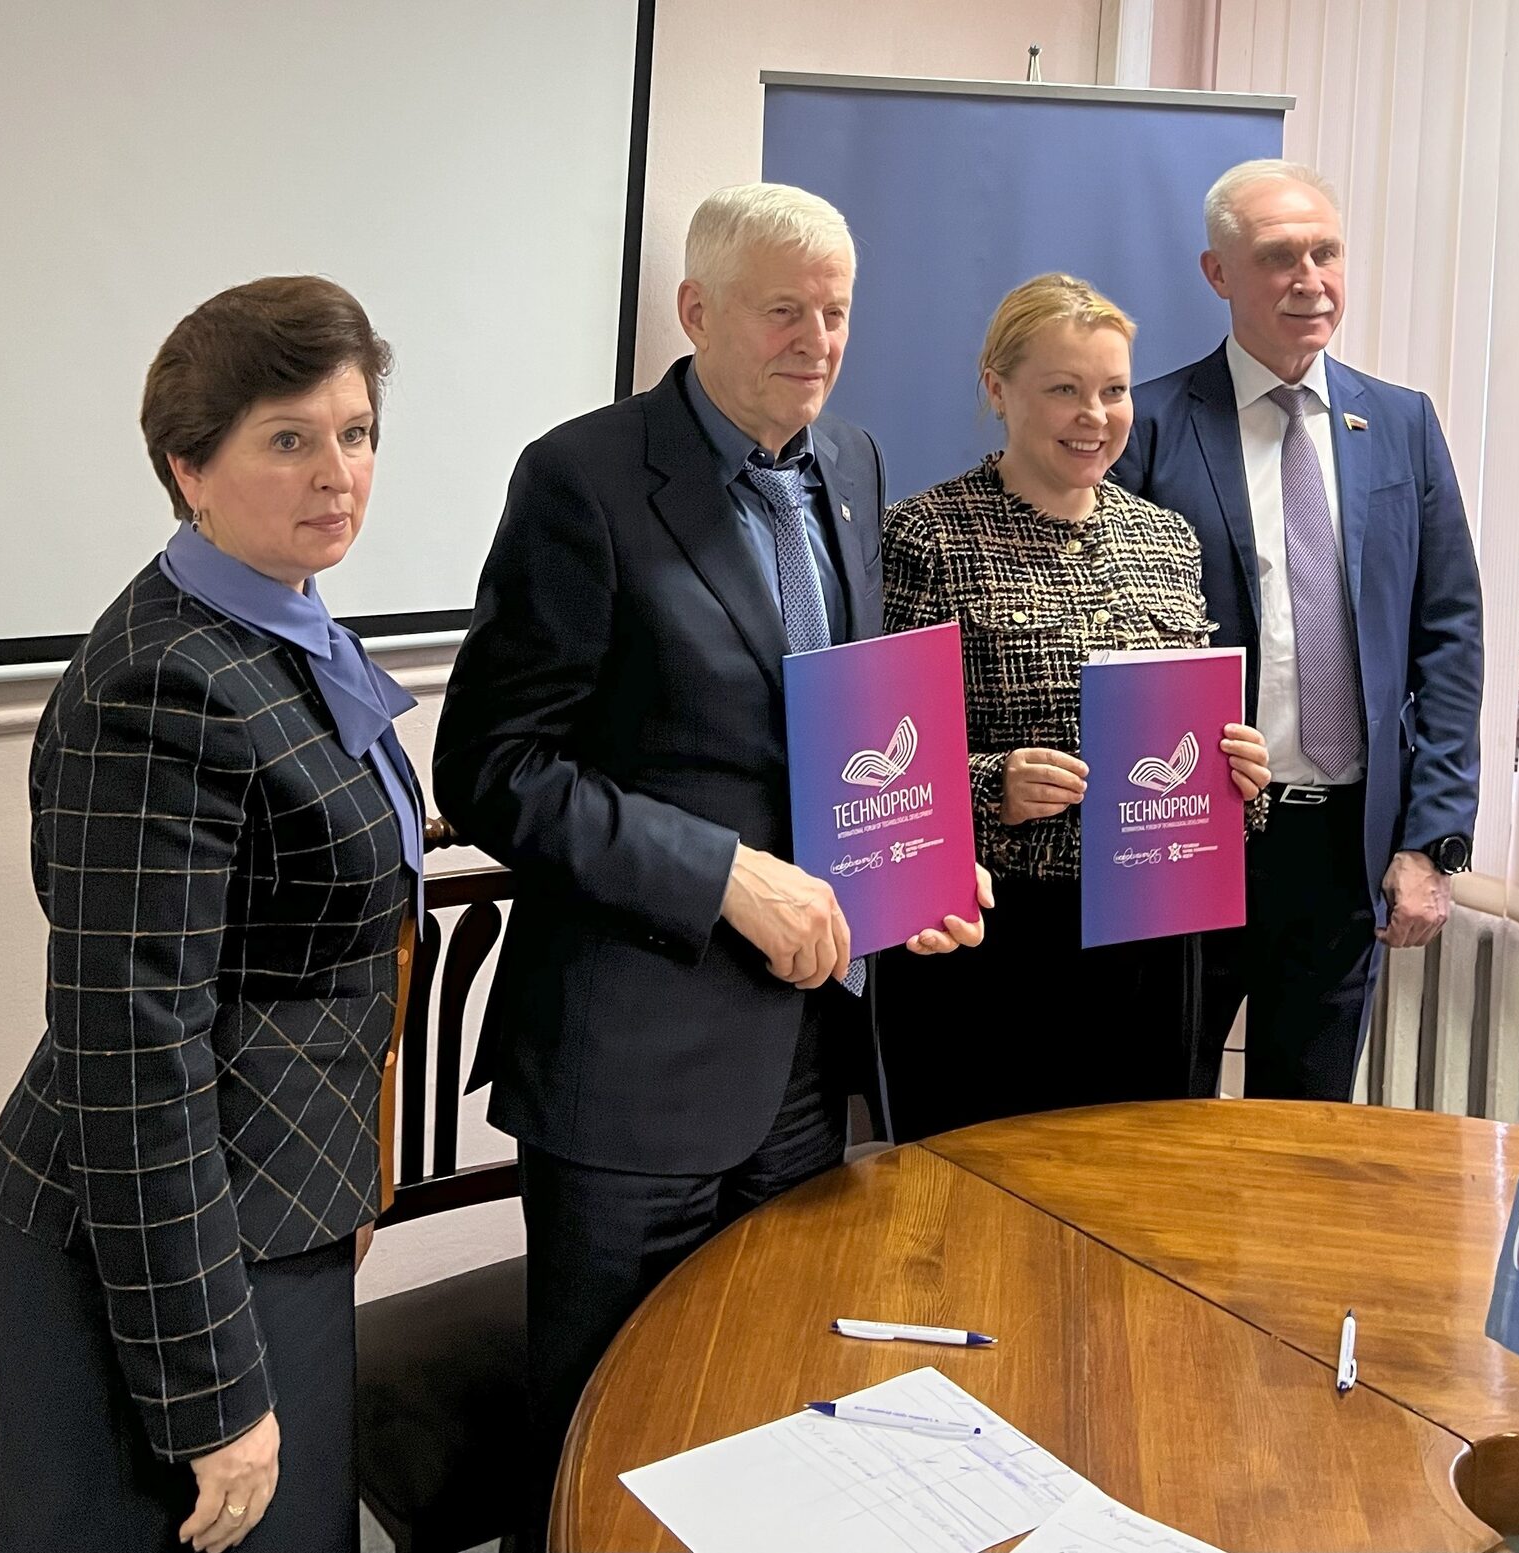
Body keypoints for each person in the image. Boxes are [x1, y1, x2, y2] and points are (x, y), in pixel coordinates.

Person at [433, 182, 990, 1513]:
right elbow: (494, 768)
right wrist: (722, 874)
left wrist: (913, 859)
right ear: (695, 310)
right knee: (610, 1446)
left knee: (766, 1414)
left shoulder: (851, 462)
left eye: (837, 312)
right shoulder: (582, 478)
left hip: (807, 1051)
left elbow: (839, 723)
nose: (818, 340)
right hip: (632, 1068)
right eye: (784, 310)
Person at [0, 277, 422, 1553]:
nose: (337, 472)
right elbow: (135, 1055)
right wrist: (209, 1390)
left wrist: (343, 1183)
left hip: (269, 1200)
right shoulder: (164, 683)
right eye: (288, 438)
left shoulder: (278, 622)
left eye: (356, 431)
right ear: (190, 467)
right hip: (161, 1255)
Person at [1111, 159, 1484, 1102]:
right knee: (1153, 1118)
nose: (1310, 280)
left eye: (1327, 253)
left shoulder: (1401, 423)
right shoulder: (1147, 425)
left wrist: (1432, 839)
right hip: (1189, 831)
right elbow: (1106, 640)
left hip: (1342, 848)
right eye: (1280, 257)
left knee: (1306, 1136)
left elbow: (1450, 637)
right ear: (1218, 273)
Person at [879, 273, 1272, 1140]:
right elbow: (879, 770)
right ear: (998, 388)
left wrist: (1239, 779)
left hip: (1154, 936)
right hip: (995, 941)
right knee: (986, 1191)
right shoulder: (925, 535)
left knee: (1139, 1184)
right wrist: (993, 785)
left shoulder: (1167, 539)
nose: (1095, 416)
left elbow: (1192, 747)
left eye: (1114, 390)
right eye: (1064, 389)